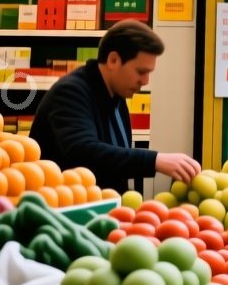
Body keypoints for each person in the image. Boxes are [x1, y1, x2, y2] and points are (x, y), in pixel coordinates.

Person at [31, 20, 201, 192]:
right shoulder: (70, 92)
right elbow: (82, 151)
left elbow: (115, 157)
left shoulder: (116, 94)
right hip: (66, 209)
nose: (145, 81)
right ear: (113, 60)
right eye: (141, 72)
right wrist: (155, 160)